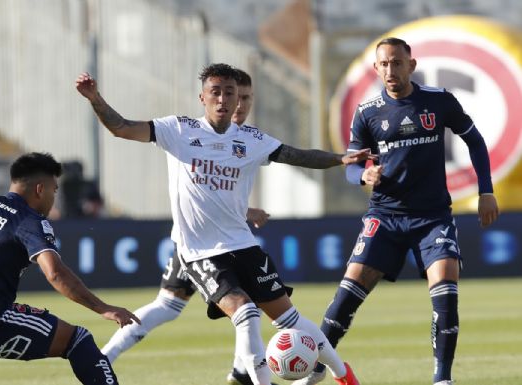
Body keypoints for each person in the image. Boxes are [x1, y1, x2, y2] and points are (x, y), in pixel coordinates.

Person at [76, 63, 372, 385]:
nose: (223, 99)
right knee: (244, 313)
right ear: (202, 97)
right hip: (199, 251)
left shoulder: (251, 139)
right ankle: (251, 378)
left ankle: (344, 376)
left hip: (243, 245)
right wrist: (95, 98)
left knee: (290, 318)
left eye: (229, 93)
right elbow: (121, 127)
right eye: (215, 92)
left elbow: (297, 155)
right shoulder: (177, 130)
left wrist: (339, 158)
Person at [295, 37, 499, 385]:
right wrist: (364, 175)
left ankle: (442, 379)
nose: (390, 70)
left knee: (446, 282)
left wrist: (486, 191)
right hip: (385, 216)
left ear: (411, 65)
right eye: (384, 64)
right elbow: (349, 166)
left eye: (397, 63)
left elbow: (475, 139)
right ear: (377, 69)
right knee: (348, 293)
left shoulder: (438, 101)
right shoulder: (367, 112)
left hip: (432, 216)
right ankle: (315, 371)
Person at [99, 69, 274, 385]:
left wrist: (244, 210)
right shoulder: (194, 133)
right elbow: (196, 186)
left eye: (246, 98)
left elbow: (216, 193)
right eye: (236, 96)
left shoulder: (245, 140)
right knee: (226, 304)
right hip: (198, 243)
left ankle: (241, 371)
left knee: (173, 306)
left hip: (220, 241)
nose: (239, 106)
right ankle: (104, 359)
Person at [0, 152, 140, 385]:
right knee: (77, 339)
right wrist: (103, 308)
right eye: (54, 190)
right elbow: (55, 273)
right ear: (40, 189)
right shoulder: (28, 220)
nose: (54, 198)